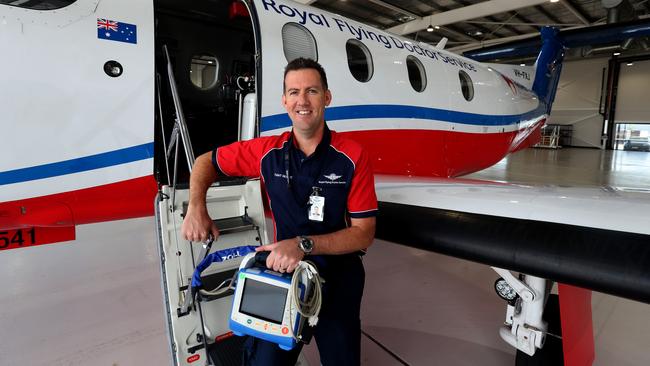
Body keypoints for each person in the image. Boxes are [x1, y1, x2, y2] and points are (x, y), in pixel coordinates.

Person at [181, 57, 377, 366]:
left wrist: (302, 245)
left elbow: (364, 234)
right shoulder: (266, 152)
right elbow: (206, 161)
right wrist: (196, 206)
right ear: (284, 100)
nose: (303, 100)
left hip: (338, 277)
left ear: (326, 97)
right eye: (294, 92)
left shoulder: (351, 156)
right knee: (265, 363)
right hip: (284, 274)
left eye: (312, 91)